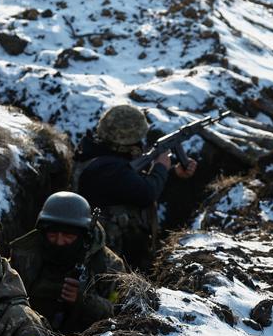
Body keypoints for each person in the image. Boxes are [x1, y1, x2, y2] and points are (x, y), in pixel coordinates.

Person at [74, 104, 197, 270]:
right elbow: (146, 193)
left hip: (112, 252)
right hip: (108, 261)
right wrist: (161, 167)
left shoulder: (99, 156)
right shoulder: (109, 168)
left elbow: (133, 184)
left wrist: (173, 172)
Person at [8, 192, 126, 335]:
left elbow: (121, 312)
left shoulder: (109, 265)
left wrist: (84, 300)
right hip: (29, 332)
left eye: (68, 236)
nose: (59, 242)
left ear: (83, 235)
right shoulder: (25, 254)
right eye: (52, 235)